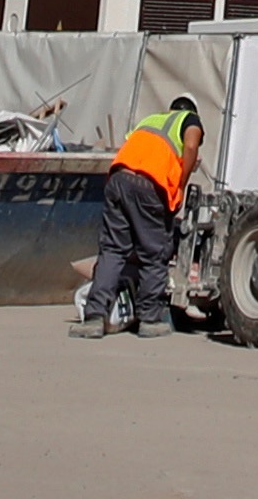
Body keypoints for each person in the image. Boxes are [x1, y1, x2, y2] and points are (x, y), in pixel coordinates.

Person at [80, 96, 200, 338]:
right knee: (154, 253)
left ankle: (94, 318)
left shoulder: (150, 121)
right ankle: (149, 318)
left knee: (113, 250)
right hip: (148, 185)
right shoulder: (189, 119)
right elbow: (190, 146)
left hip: (118, 179)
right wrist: (181, 184)